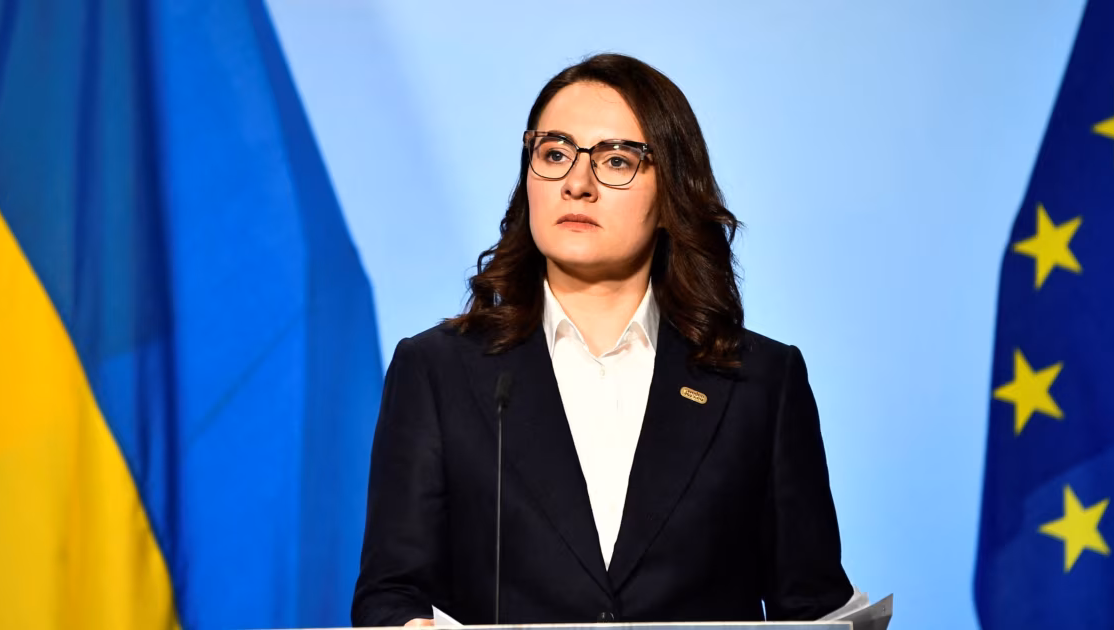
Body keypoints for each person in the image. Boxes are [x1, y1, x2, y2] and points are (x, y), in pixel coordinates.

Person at [351, 53, 852, 627]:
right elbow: (390, 593)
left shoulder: (760, 381)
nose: (577, 184)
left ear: (671, 195)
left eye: (616, 160)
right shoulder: (437, 370)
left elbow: (811, 607)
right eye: (554, 154)